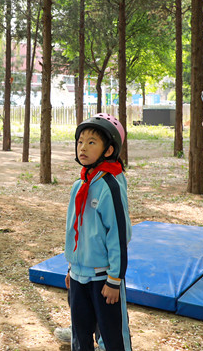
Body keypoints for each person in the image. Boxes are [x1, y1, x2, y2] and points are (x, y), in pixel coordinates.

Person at [64, 113, 132, 351]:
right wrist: (72, 268)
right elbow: (75, 232)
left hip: (103, 279)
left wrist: (114, 280)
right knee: (80, 335)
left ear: (109, 150)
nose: (83, 147)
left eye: (91, 142)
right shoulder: (79, 184)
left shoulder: (109, 186)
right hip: (79, 277)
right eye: (80, 141)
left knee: (113, 337)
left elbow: (119, 236)